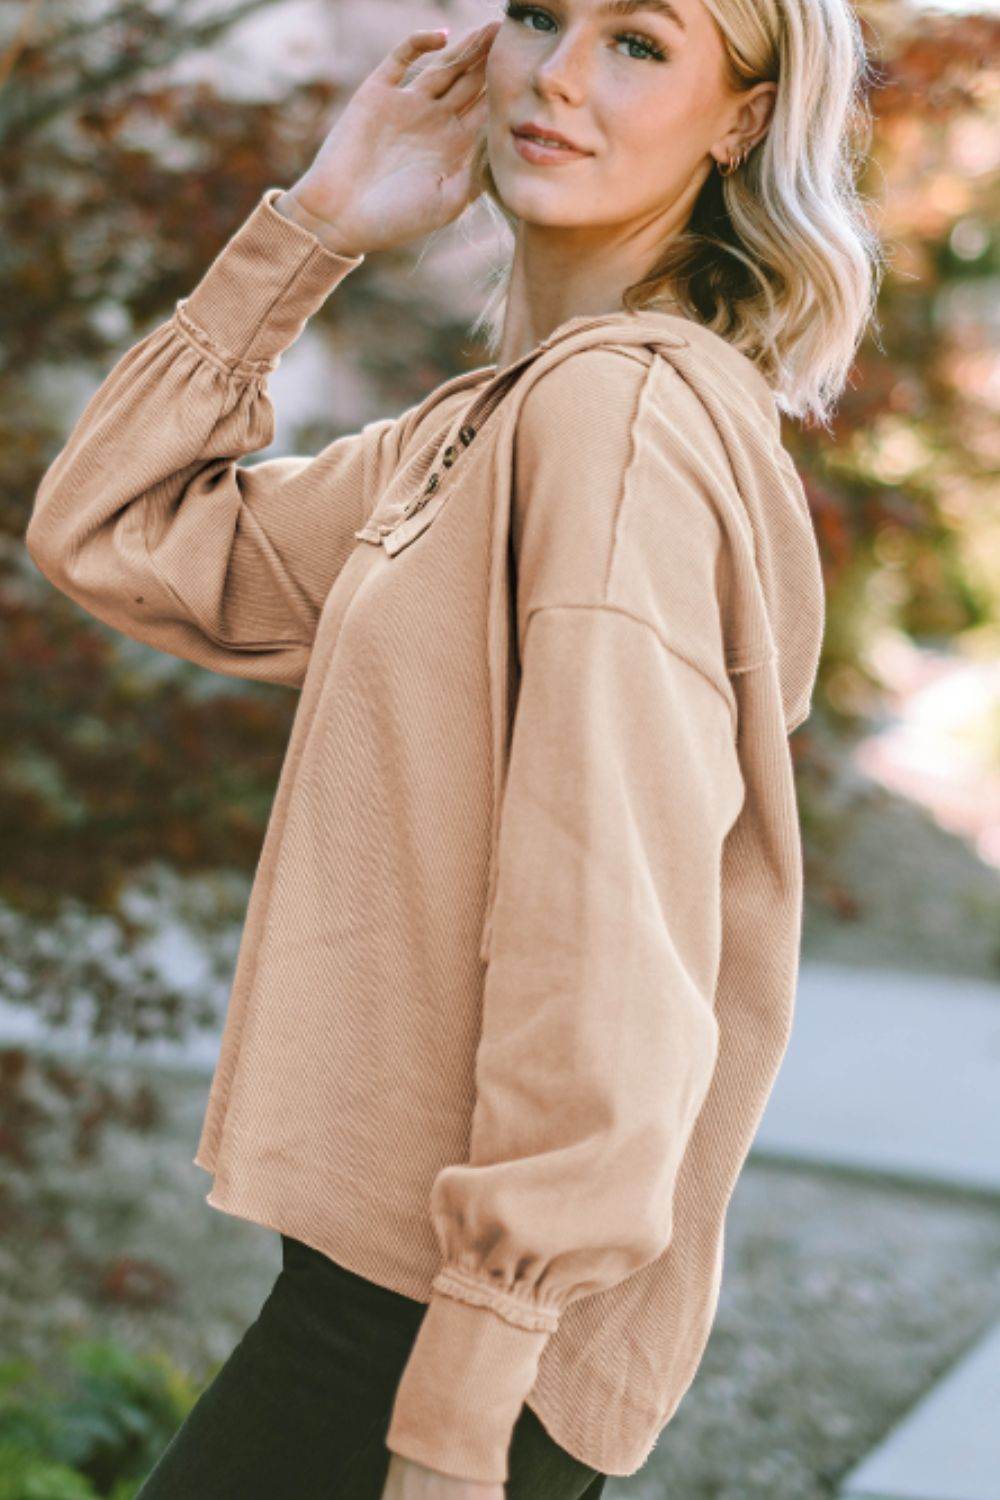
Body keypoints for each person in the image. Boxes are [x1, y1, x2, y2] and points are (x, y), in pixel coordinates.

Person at [24, 1, 882, 1496]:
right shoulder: (483, 432)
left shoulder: (618, 423)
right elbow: (115, 530)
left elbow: (609, 939)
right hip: (389, 1309)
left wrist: (463, 1402)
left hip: (436, 1346)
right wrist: (315, 226)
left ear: (743, 118)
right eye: (541, 15)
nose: (559, 75)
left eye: (640, 42)